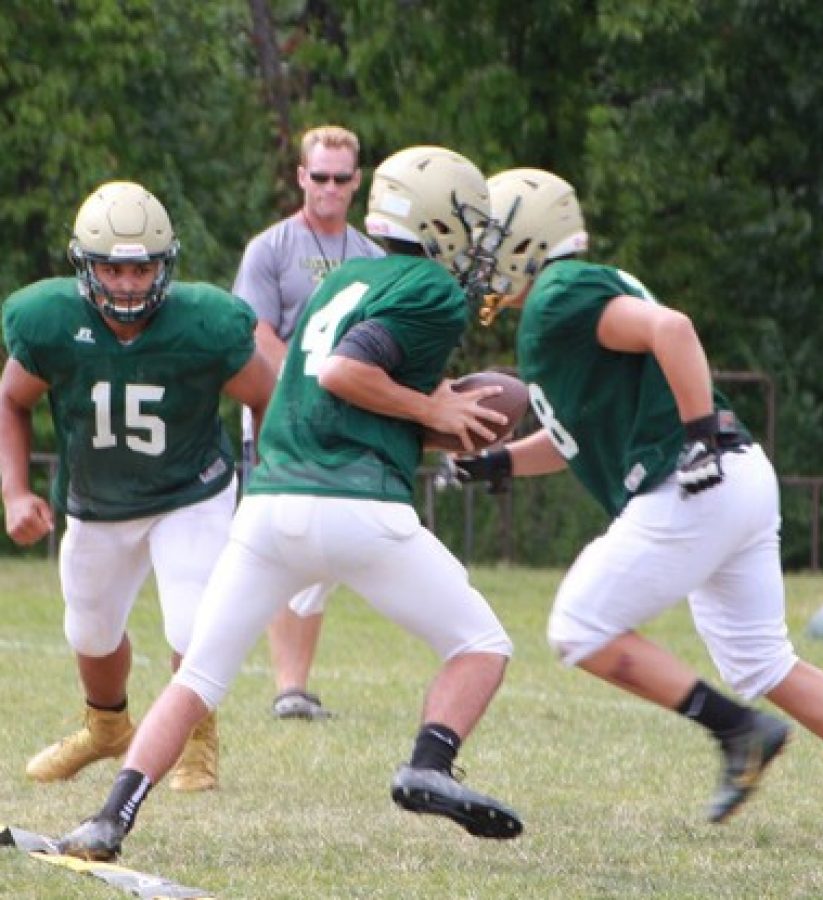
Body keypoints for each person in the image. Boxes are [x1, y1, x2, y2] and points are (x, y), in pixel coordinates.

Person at [57, 146, 524, 861]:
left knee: (198, 676)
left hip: (272, 504)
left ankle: (110, 819)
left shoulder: (346, 281)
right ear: (440, 220)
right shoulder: (431, 288)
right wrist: (432, 403)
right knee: (482, 646)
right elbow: (346, 373)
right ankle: (428, 767)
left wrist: (433, 425)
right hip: (358, 507)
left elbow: (338, 394)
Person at [453, 167, 823, 838]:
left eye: (493, 238)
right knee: (760, 660)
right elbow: (571, 435)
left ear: (529, 239)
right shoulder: (561, 305)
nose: (482, 257)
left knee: (579, 626)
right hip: (735, 476)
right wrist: (500, 460)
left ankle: (739, 732)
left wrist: (695, 441)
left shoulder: (563, 290)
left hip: (694, 478)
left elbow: (674, 329)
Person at [0, 181, 274, 794]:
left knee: (191, 624)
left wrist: (279, 475)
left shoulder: (203, 323)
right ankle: (106, 729)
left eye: (142, 267)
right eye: (113, 268)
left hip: (190, 491)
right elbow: (11, 399)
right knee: (90, 631)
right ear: (86, 266)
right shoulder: (49, 320)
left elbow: (268, 396)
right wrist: (16, 491)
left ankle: (197, 739)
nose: (127, 283)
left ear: (164, 264)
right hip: (97, 501)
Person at [232, 124, 384, 721]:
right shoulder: (270, 249)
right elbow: (256, 329)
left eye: (340, 177)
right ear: (300, 176)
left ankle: (296, 685)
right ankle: (285, 686)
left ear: (356, 181)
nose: (328, 187)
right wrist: (305, 384)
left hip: (346, 420)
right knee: (276, 542)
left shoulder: (371, 255)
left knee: (322, 554)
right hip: (280, 415)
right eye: (317, 175)